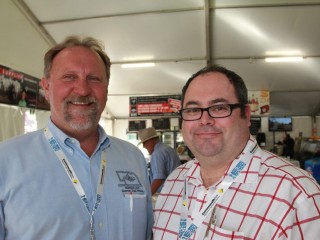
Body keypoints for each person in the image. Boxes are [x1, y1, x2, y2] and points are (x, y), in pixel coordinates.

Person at [0, 36, 153, 240]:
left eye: (94, 79)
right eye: (69, 77)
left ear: (106, 88)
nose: (82, 90)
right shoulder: (6, 160)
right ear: (46, 87)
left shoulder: (133, 158)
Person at [153, 64, 320, 239]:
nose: (204, 120)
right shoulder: (173, 184)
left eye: (219, 108)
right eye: (193, 110)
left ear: (246, 115)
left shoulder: (296, 195)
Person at [138, 127, 180, 195]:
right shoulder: (168, 148)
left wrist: (147, 197)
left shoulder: (157, 153)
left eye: (144, 143)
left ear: (151, 141)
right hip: (176, 190)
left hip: (167, 193)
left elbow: (158, 179)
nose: (144, 146)